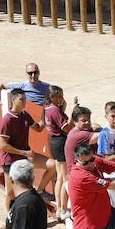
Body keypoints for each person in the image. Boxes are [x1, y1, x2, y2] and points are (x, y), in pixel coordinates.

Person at [0, 88, 55, 210]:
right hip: (11, 160)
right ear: (13, 100)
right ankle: (9, 217)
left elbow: (39, 128)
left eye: (25, 99)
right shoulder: (7, 119)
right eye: (21, 99)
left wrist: (44, 111)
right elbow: (3, 146)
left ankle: (40, 192)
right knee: (11, 193)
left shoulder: (25, 115)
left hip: (25, 157)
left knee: (52, 165)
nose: (24, 101)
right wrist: (24, 152)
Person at [43, 86, 73, 214]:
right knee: (64, 176)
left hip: (53, 142)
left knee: (60, 175)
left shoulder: (47, 108)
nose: (62, 98)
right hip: (60, 142)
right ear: (52, 97)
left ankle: (60, 207)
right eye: (59, 96)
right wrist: (73, 115)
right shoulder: (55, 110)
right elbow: (66, 128)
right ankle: (62, 208)